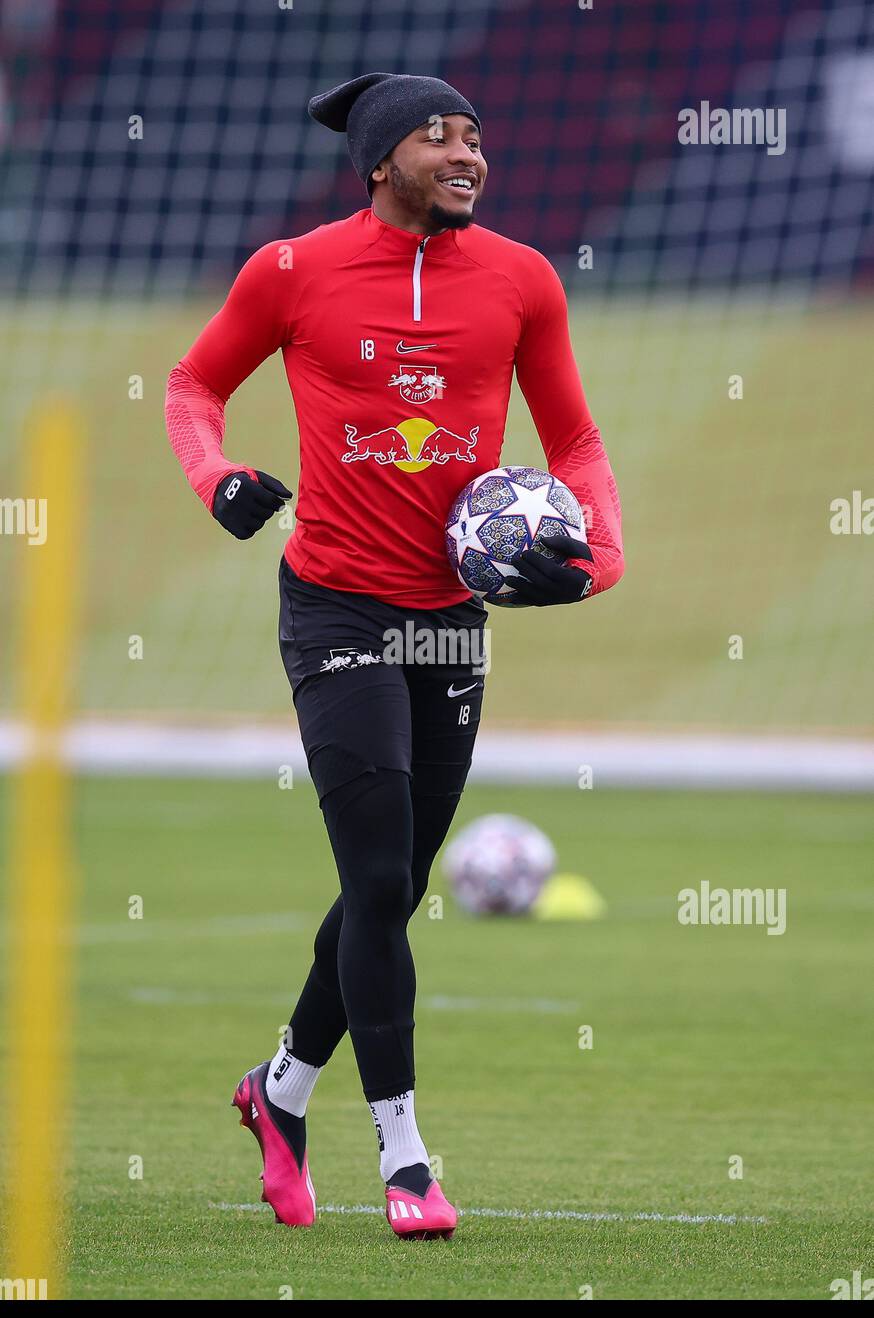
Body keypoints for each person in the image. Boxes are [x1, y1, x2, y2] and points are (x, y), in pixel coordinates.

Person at [165, 71, 624, 1240]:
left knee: (397, 883)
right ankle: (406, 1155)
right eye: (437, 137)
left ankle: (277, 1089)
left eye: (475, 136)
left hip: (448, 619)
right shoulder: (291, 271)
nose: (467, 154)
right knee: (376, 881)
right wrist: (215, 474)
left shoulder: (522, 280)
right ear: (379, 161)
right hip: (335, 611)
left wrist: (600, 557)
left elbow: (573, 438)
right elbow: (194, 385)